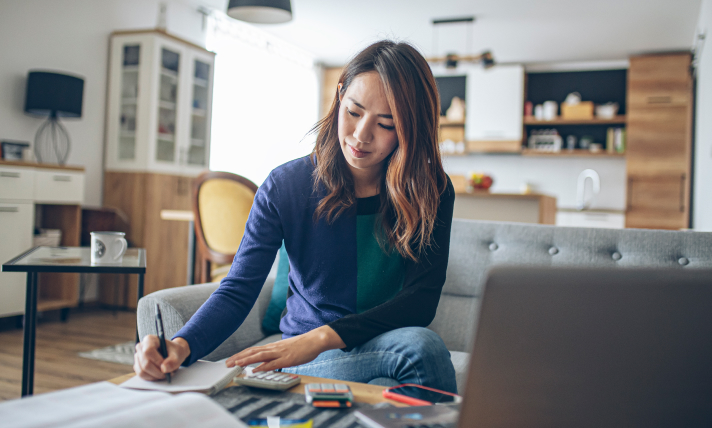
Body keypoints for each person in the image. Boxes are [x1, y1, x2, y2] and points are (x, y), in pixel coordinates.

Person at [134, 40, 457, 393]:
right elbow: (239, 289)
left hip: (375, 343)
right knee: (419, 353)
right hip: (310, 356)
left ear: (411, 128)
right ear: (339, 95)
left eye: (386, 123)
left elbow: (420, 301)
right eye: (353, 112)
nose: (362, 136)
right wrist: (180, 346)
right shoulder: (286, 186)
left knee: (410, 354)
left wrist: (319, 337)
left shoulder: (431, 190)